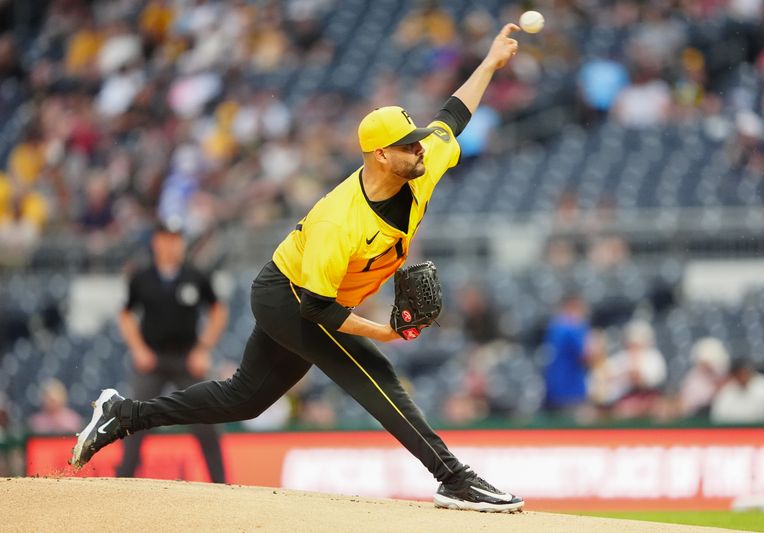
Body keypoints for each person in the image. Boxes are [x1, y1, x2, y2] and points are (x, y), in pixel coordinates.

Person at [70, 24, 524, 512]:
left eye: (417, 142)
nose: (420, 148)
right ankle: (454, 478)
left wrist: (490, 63)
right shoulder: (339, 221)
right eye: (408, 144)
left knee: (243, 399)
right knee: (373, 373)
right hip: (288, 296)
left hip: (311, 296)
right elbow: (319, 311)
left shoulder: (421, 162)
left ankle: (124, 413)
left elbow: (451, 117)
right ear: (380, 155)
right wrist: (384, 333)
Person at [115, 218, 229, 483]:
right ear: (156, 241)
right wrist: (138, 349)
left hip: (186, 358)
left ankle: (221, 483)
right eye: (166, 238)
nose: (172, 244)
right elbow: (125, 314)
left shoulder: (196, 275)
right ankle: (123, 481)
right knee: (135, 418)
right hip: (152, 359)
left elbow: (217, 311)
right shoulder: (142, 277)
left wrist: (203, 349)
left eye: (177, 238)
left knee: (205, 418)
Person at [542, 293, 589, 417]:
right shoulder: (573, 328)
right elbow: (586, 355)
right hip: (571, 390)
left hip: (553, 389)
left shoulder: (554, 327)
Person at [710, 358, 764, 424]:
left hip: (758, 430)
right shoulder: (726, 391)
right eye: (740, 374)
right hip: (733, 431)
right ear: (735, 375)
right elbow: (718, 417)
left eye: (746, 373)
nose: (743, 377)